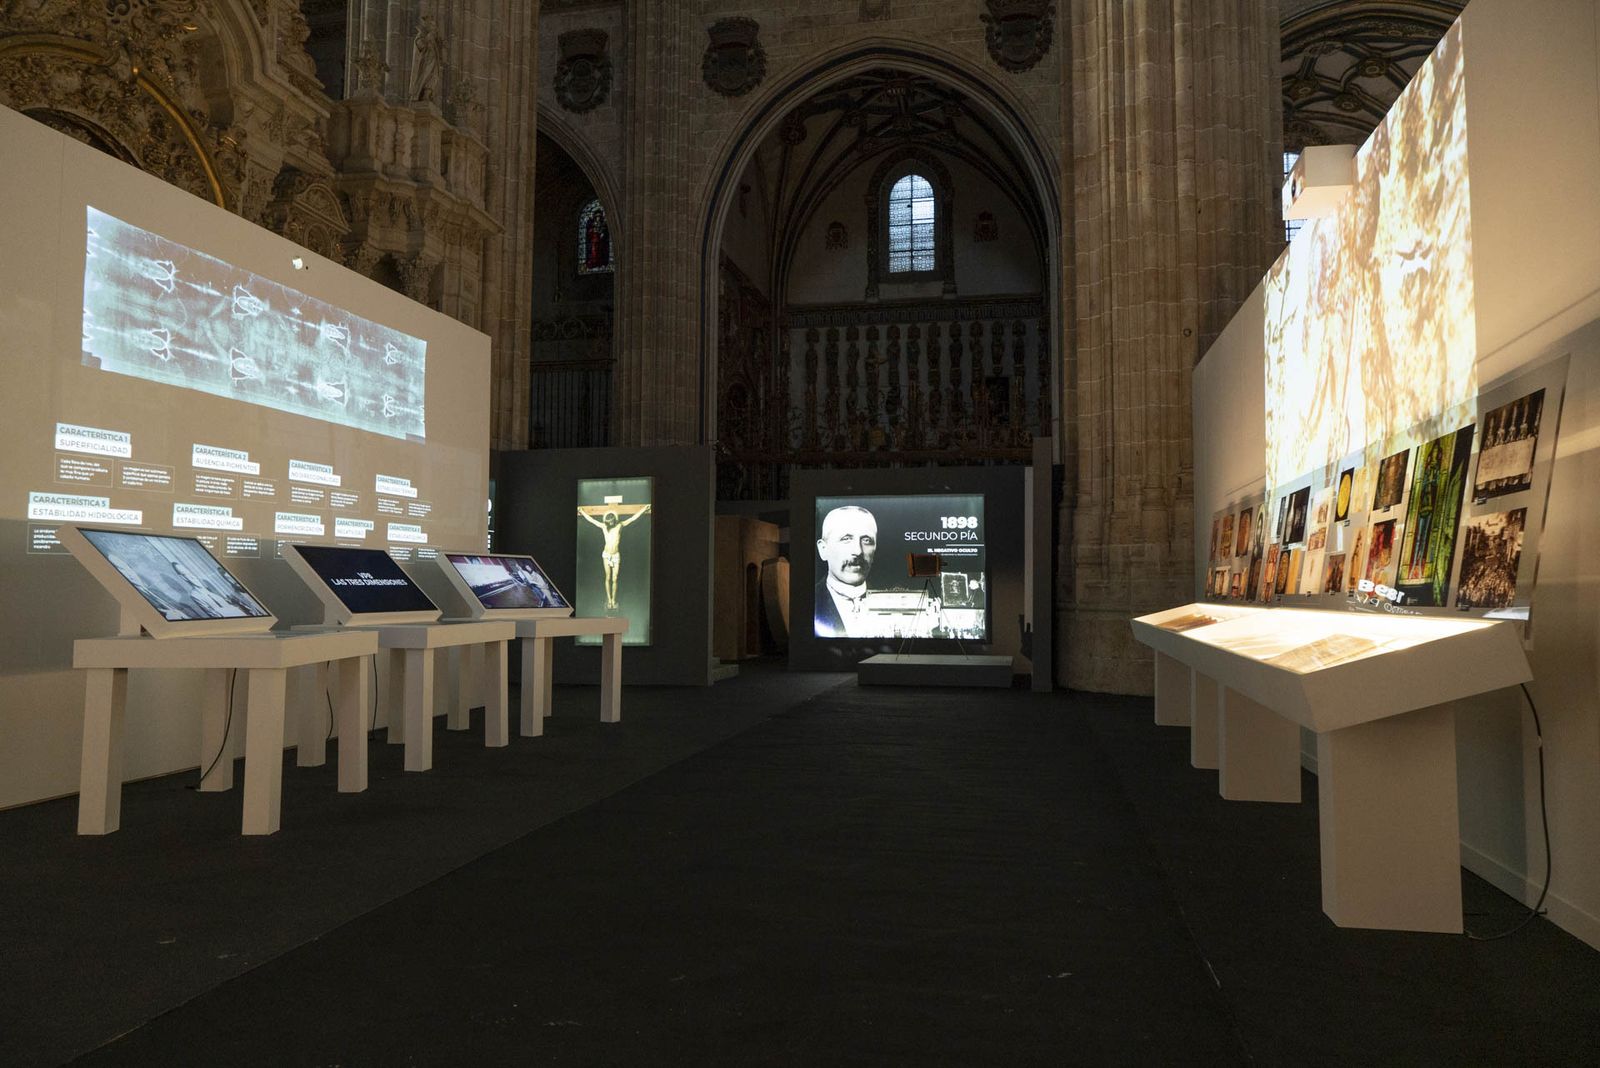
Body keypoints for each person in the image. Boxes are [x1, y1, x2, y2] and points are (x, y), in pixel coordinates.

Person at [813, 505, 878, 638]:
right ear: (823, 549)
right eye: (846, 539)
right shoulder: (808, 603)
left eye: (866, 540)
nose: (858, 551)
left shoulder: (890, 602)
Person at [579, 504, 650, 611]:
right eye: (609, 521)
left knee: (615, 578)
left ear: (614, 520)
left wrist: (644, 509)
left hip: (616, 555)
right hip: (607, 555)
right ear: (607, 521)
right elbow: (592, 520)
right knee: (607, 577)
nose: (611, 523)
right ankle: (609, 599)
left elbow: (633, 518)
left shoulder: (620, 525)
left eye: (612, 521)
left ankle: (614, 599)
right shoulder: (604, 527)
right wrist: (582, 512)